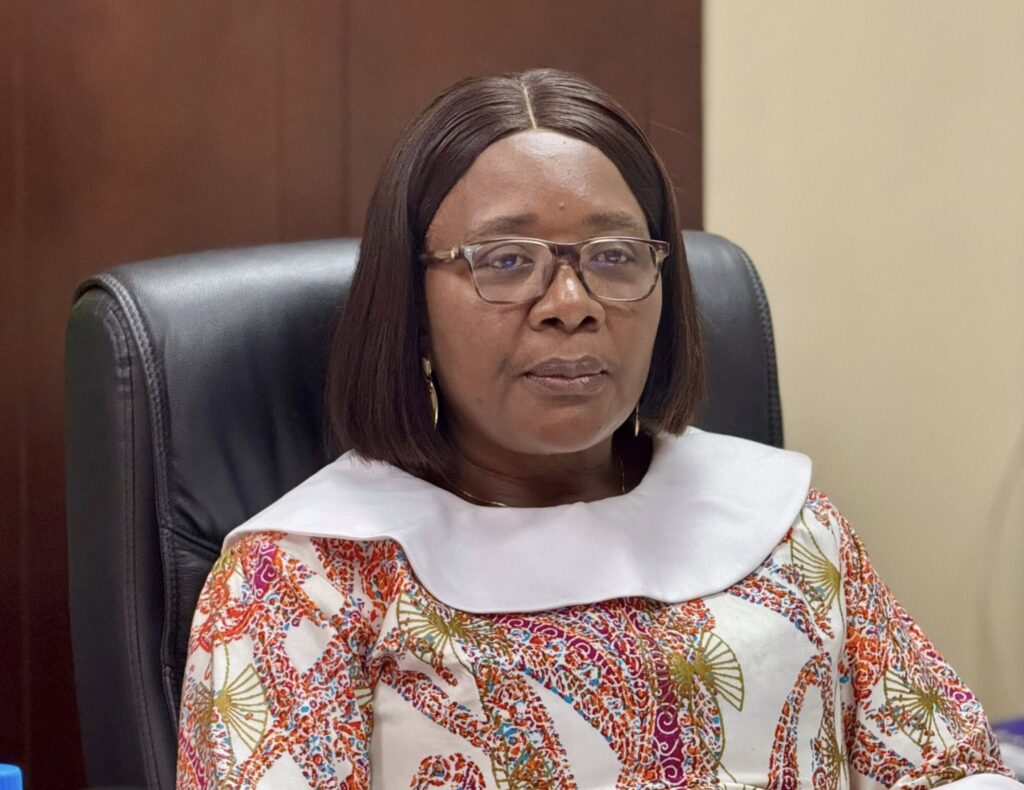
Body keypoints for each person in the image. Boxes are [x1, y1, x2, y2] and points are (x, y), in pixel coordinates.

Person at [174, 69, 1015, 789]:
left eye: (613, 257)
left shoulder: (787, 527)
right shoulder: (303, 582)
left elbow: (951, 767)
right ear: (412, 311)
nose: (570, 305)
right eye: (506, 261)